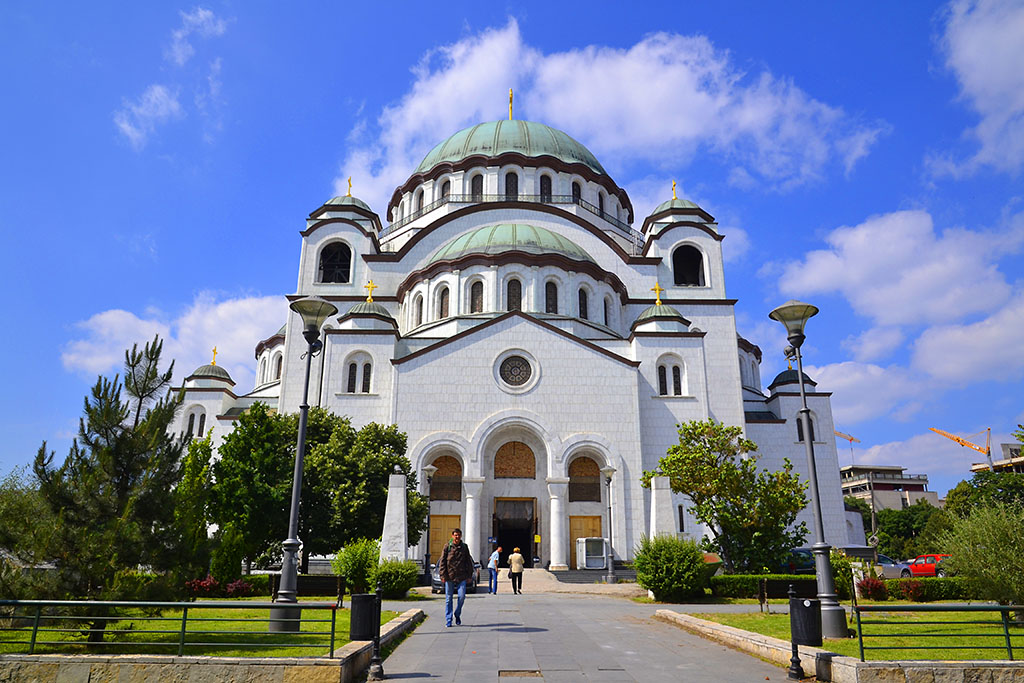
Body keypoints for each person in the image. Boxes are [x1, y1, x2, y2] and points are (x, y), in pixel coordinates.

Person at [437, 528, 475, 626]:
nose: (457, 537)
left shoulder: (464, 547)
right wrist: (442, 575)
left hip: (461, 576)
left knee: (461, 597)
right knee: (448, 598)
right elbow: (442, 562)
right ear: (452, 536)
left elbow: (468, 562)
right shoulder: (447, 547)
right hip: (449, 575)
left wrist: (469, 575)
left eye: (458, 535)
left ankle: (457, 614)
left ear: (461, 536)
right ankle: (448, 619)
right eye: (455, 535)